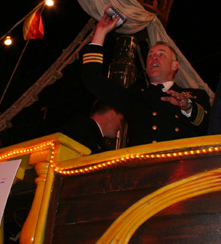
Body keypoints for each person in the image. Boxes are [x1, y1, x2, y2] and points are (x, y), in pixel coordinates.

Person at [82, 8, 211, 146]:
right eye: (150, 55)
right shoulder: (135, 96)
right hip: (142, 166)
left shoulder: (196, 96)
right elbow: (91, 78)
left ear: (175, 65)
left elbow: (209, 126)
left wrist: (187, 107)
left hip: (180, 166)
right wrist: (101, 31)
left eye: (161, 54)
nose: (154, 58)